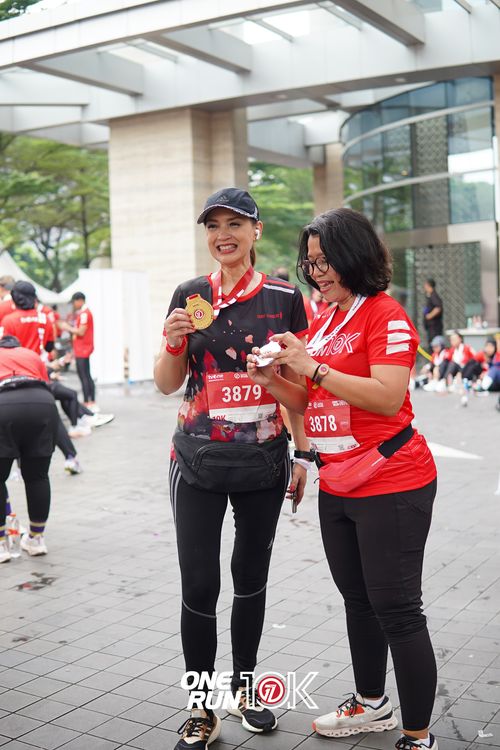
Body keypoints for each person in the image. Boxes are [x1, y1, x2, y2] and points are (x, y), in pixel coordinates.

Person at [247, 208, 438, 750]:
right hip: (338, 480)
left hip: (392, 479)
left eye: (325, 260)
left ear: (354, 255)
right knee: (358, 600)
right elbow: (310, 400)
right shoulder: (326, 319)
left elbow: (388, 396)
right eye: (310, 263)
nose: (317, 272)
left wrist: (312, 366)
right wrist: (273, 380)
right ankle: (372, 703)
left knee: (398, 609)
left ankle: (419, 737)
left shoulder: (385, 314)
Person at [154, 187, 309, 749]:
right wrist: (174, 342)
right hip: (195, 460)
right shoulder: (190, 294)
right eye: (214, 225)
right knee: (199, 584)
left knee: (250, 578)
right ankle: (201, 708)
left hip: (263, 463)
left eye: (235, 224)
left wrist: (302, 454)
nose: (223, 235)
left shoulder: (284, 298)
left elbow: (300, 389)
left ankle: (245, 690)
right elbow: (167, 383)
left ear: (255, 231)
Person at [0, 335, 58, 562]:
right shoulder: (31, 355)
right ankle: (36, 539)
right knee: (37, 476)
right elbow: (47, 384)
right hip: (42, 403)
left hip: (4, 403)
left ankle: (1, 545)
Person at [60, 292, 96, 409]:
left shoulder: (85, 314)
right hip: (82, 348)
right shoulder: (83, 313)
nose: (74, 305)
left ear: (80, 300)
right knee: (85, 374)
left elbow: (81, 331)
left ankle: (88, 401)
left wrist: (67, 327)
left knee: (84, 375)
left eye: (75, 302)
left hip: (83, 349)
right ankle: (90, 400)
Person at [0, 280, 54, 357]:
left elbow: (4, 348)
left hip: (17, 362)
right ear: (34, 297)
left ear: (14, 298)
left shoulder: (8, 321)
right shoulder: (44, 318)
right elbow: (49, 347)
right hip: (38, 362)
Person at [422, 279, 443, 350]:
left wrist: (429, 316)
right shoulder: (430, 296)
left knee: (434, 344)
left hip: (434, 327)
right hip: (431, 327)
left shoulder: (434, 296)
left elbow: (438, 308)